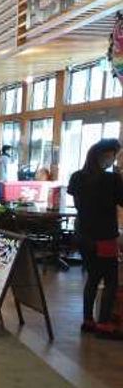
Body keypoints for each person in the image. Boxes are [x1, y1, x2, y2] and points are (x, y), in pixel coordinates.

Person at [67, 138, 123, 339]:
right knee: (110, 281)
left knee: (92, 278)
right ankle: (105, 324)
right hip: (105, 237)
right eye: (115, 155)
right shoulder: (112, 180)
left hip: (83, 235)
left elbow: (79, 206)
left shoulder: (77, 177)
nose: (115, 160)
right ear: (105, 155)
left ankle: (88, 321)